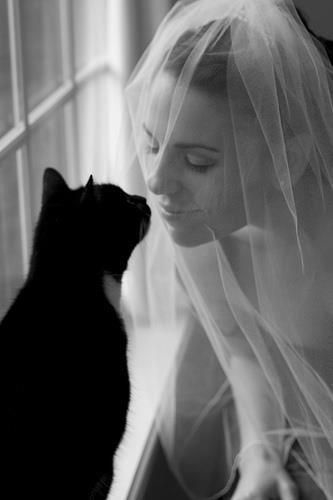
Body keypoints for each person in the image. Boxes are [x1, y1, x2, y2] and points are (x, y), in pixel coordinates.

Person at [123, 0, 333, 498]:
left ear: (289, 155)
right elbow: (244, 348)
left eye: (197, 161)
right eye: (152, 144)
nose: (155, 182)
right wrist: (260, 456)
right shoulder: (202, 229)